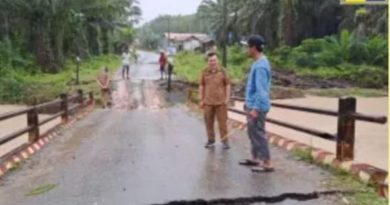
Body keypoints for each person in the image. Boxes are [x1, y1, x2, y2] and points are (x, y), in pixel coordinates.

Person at [239, 35, 274, 172]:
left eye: (247, 47)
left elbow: (262, 90)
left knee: (258, 133)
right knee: (252, 132)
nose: (246, 50)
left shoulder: (260, 66)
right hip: (252, 104)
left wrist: (256, 108)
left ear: (254, 48)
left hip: (257, 107)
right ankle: (255, 158)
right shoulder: (257, 63)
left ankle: (267, 162)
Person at [199, 52, 231, 149]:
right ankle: (210, 140)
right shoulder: (204, 72)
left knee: (223, 123)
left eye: (214, 60)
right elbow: (201, 85)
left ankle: (225, 141)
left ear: (217, 61)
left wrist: (227, 98)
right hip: (208, 102)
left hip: (221, 102)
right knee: (208, 122)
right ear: (208, 62)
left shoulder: (223, 71)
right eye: (210, 61)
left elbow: (228, 84)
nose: (212, 62)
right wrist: (201, 99)